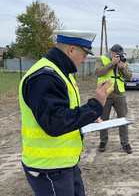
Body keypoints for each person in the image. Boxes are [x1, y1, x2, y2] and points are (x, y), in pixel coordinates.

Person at [19, 30, 111, 196]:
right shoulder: (45, 77)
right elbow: (55, 122)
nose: (84, 60)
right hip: (49, 168)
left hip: (64, 164)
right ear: (71, 50)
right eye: (84, 54)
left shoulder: (61, 73)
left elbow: (64, 112)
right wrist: (96, 104)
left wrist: (88, 116)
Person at [95, 44, 133, 154]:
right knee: (103, 119)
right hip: (105, 94)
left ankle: (125, 143)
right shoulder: (101, 59)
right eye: (117, 55)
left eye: (120, 55)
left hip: (120, 94)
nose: (119, 56)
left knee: (123, 119)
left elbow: (129, 76)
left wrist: (122, 68)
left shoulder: (123, 61)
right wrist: (112, 64)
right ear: (111, 53)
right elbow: (98, 72)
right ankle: (103, 141)